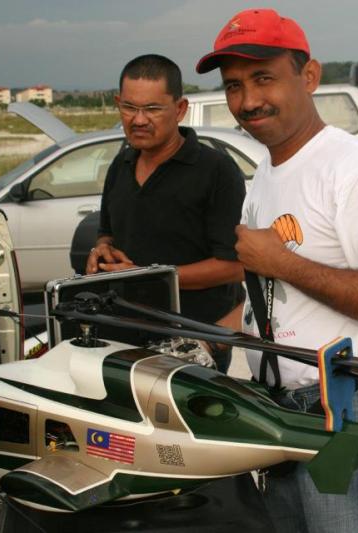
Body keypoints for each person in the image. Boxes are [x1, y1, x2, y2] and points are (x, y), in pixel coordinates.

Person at [196, 8, 358, 532]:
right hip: (279, 410)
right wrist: (207, 340)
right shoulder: (266, 175)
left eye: (263, 78)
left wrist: (282, 261)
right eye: (233, 86)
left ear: (310, 76)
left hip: (346, 405)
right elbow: (270, 297)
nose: (248, 100)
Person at [86, 54, 246, 372]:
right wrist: (102, 248)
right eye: (129, 107)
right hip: (122, 338)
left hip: (193, 342)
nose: (139, 119)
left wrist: (146, 276)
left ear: (180, 108)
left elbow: (234, 267)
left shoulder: (216, 171)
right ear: (118, 103)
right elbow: (108, 231)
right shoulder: (121, 164)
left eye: (153, 109)